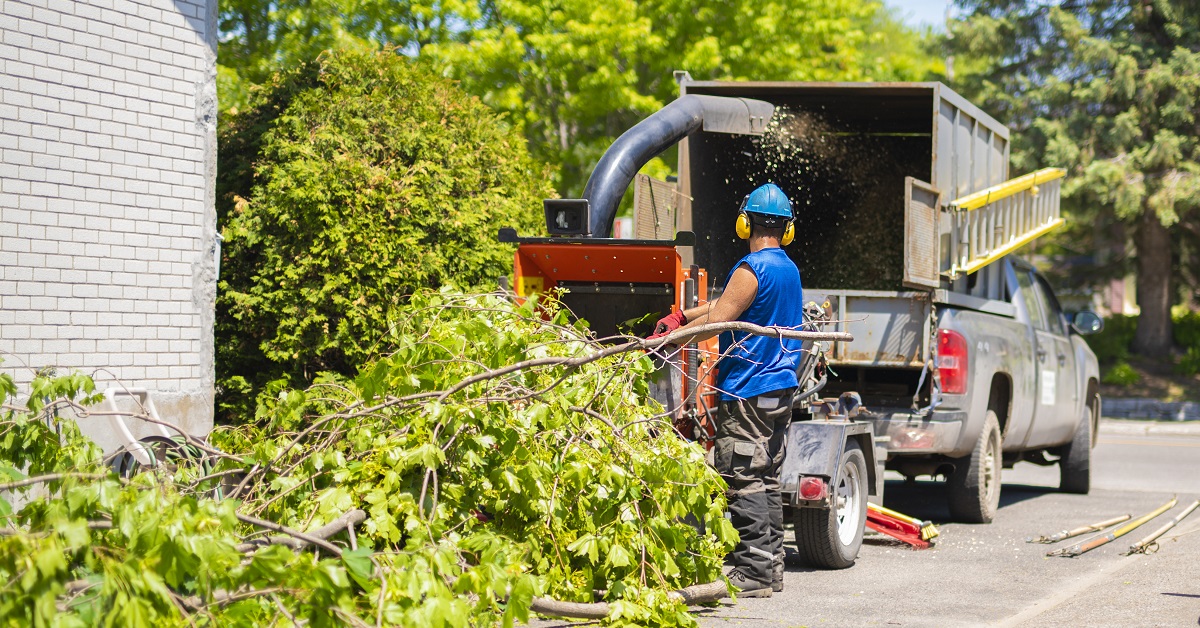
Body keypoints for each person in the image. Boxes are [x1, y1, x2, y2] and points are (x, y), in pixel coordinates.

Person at [649, 182, 804, 598]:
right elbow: (727, 305)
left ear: (744, 222)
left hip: (749, 389)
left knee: (742, 474)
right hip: (780, 387)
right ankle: (770, 570)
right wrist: (681, 314)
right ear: (786, 230)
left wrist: (667, 343)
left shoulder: (752, 268)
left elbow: (719, 321)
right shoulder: (786, 269)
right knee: (766, 474)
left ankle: (751, 572)